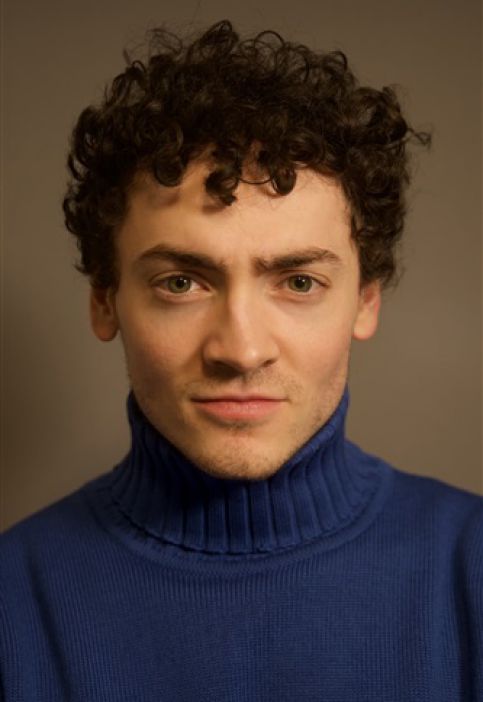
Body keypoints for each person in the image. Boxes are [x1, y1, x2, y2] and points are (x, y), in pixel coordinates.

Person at [0, 19, 481, 701]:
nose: (241, 350)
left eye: (298, 282)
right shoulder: (13, 601)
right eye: (181, 283)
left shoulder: (471, 569)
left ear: (365, 301)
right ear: (105, 302)